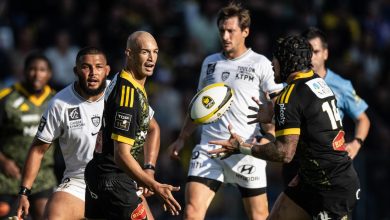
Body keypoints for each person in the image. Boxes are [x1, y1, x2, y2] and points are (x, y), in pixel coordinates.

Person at [209, 35, 361, 219]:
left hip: (331, 189)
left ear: (287, 61)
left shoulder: (288, 97)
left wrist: (240, 147)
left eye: (275, 58)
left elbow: (284, 153)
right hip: (311, 181)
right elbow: (308, 117)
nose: (272, 64)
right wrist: (274, 113)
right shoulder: (315, 80)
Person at [168, 3, 283, 220]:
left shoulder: (260, 63)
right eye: (222, 30)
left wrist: (271, 136)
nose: (225, 36)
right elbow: (200, 106)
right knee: (192, 212)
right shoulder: (210, 63)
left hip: (245, 150)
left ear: (245, 32)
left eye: (231, 30)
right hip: (209, 150)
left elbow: (279, 104)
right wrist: (182, 138)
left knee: (259, 217)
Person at [84, 31, 181, 219]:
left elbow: (153, 127)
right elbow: (121, 156)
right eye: (145, 52)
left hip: (100, 173)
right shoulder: (127, 95)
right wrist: (155, 186)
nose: (152, 58)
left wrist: (149, 169)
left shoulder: (130, 82)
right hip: (114, 179)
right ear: (129, 54)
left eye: (155, 52)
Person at [15, 46, 110, 220]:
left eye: (98, 67)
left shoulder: (119, 93)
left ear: (107, 70)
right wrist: (24, 192)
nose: (93, 73)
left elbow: (153, 128)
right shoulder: (59, 103)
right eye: (86, 67)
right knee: (54, 215)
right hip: (78, 181)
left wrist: (148, 170)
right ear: (76, 70)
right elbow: (37, 150)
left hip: (119, 179)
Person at [282, 27, 371, 186]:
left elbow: (363, 119)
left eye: (315, 52)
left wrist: (356, 143)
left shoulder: (341, 86)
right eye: (307, 52)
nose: (310, 58)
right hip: (295, 161)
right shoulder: (288, 84)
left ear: (325, 53)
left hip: (327, 165)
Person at [0, 52, 56, 220]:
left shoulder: (58, 100)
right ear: (24, 71)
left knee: (46, 215)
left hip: (43, 176)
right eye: (32, 69)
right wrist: (3, 161)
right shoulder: (6, 98)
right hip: (9, 177)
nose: (37, 74)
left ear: (49, 74)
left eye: (42, 70)